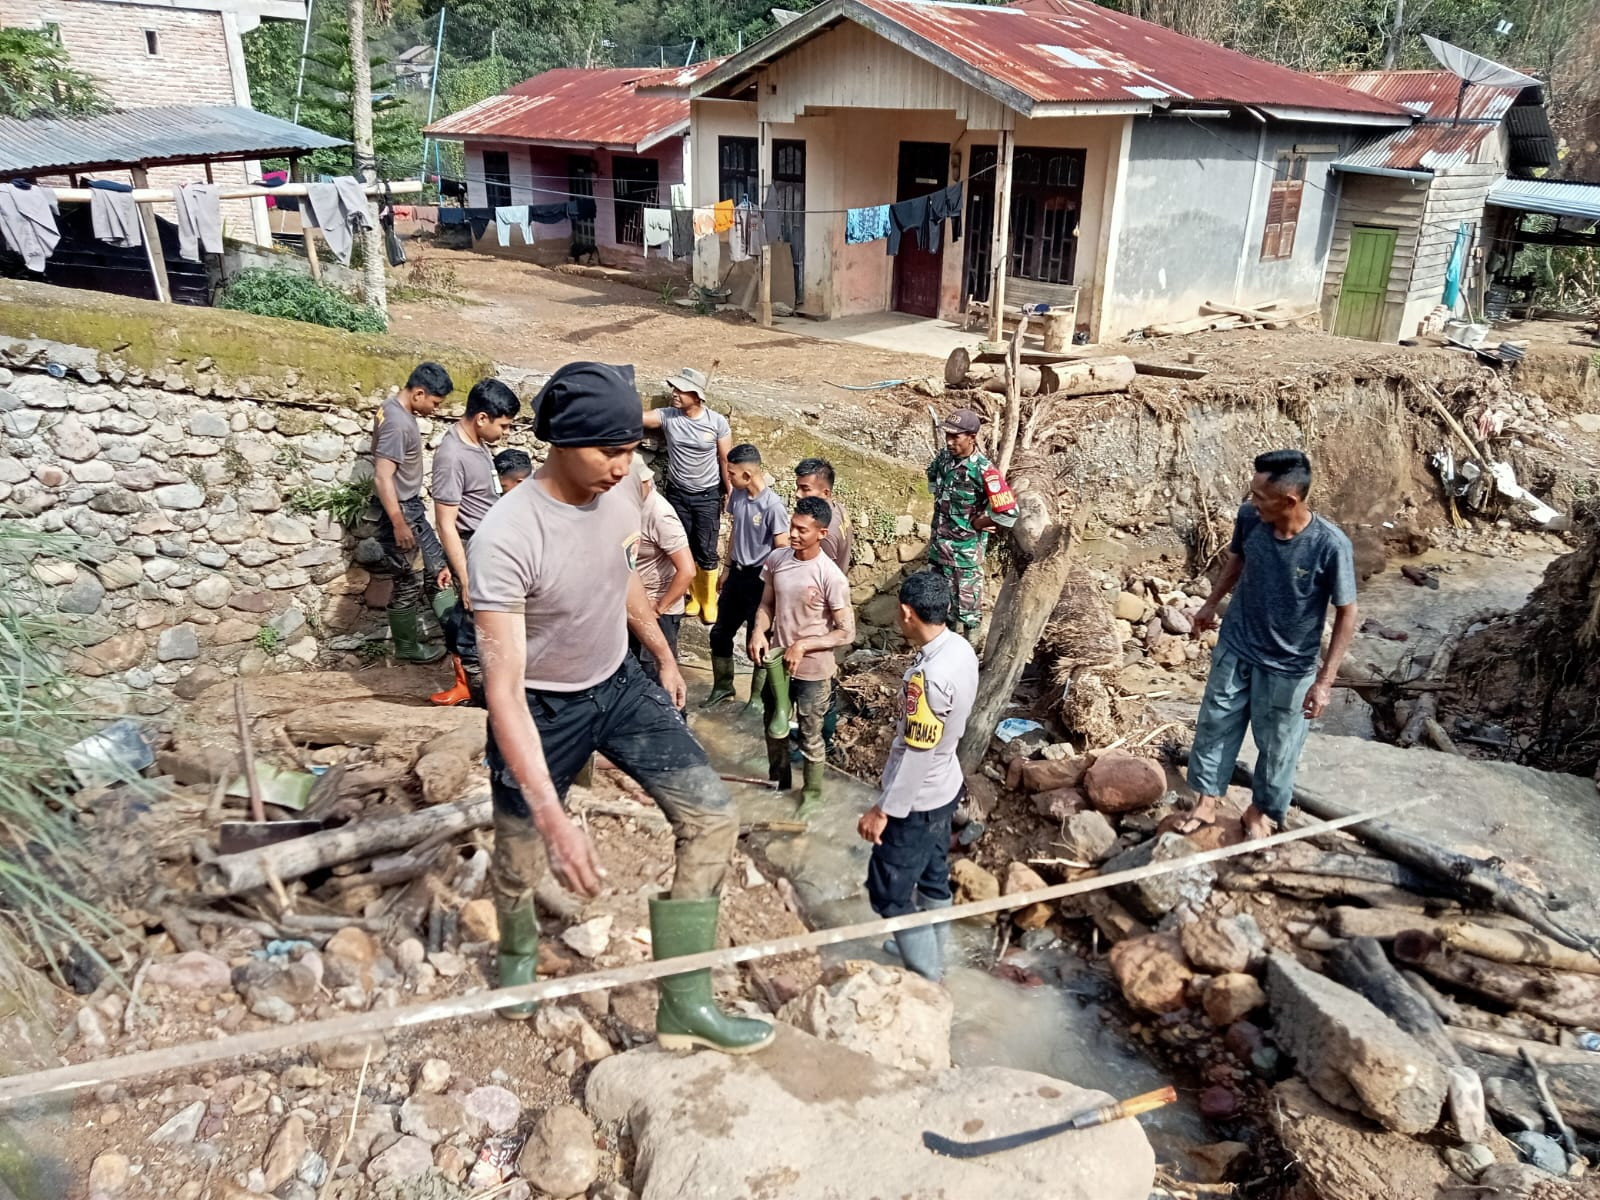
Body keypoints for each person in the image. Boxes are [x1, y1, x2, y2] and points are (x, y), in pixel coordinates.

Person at [468, 360, 773, 1053]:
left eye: (631, 448)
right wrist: (555, 817)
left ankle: (685, 1003)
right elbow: (503, 691)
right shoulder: (506, 539)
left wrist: (662, 655)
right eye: (607, 451)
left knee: (714, 818)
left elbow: (621, 574)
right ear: (559, 442)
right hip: (543, 709)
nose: (622, 466)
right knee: (520, 860)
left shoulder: (627, 489)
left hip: (620, 684)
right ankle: (516, 956)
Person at [1184, 450, 1358, 841]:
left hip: (1290, 665)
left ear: (1289, 501)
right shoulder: (1251, 519)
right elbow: (1237, 560)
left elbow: (1347, 612)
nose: (1251, 503)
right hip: (1238, 643)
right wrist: (1211, 604)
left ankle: (1260, 811)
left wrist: (1324, 682)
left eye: (1260, 497)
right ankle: (1206, 802)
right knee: (1214, 724)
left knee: (1279, 745)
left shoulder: (1330, 546)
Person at [857, 571, 978, 982]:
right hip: (947, 786)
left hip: (919, 798)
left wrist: (884, 810)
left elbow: (917, 752)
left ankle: (927, 974)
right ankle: (928, 944)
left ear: (907, 613)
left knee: (888, 892)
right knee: (932, 872)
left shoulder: (925, 679)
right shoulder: (960, 649)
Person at [748, 496, 855, 818]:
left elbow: (846, 632)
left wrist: (804, 645)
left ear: (821, 533)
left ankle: (811, 794)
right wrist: (757, 632)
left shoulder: (830, 576)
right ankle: (778, 783)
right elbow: (767, 606)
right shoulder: (777, 559)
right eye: (792, 527)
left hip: (814, 672)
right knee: (773, 726)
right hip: (778, 665)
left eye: (802, 530)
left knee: (810, 736)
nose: (793, 534)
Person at [429, 378, 521, 707]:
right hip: (472, 549)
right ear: (482, 418)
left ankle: (483, 689)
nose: (506, 433)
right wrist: (465, 577)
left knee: (482, 619)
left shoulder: (477, 444)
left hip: (488, 547)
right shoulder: (452, 455)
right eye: (505, 426)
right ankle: (478, 695)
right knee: (473, 625)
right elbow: (446, 522)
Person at [372, 362, 454, 662]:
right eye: (434, 402)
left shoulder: (392, 409)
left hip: (411, 510)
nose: (435, 410)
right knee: (409, 580)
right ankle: (406, 648)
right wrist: (398, 523)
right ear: (419, 393)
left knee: (438, 570)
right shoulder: (398, 423)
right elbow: (382, 476)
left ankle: (459, 635)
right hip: (401, 511)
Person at [642, 367, 731, 625]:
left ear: (697, 396)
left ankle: (708, 598)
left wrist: (730, 492)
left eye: (681, 390)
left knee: (707, 547)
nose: (675, 394)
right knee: (685, 546)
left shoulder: (716, 422)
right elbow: (639, 418)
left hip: (707, 494)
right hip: (678, 494)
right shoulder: (669, 416)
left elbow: (725, 459)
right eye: (674, 388)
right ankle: (693, 597)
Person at [703, 443, 788, 708]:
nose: (728, 478)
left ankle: (756, 701)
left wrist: (772, 591)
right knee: (719, 633)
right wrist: (727, 569)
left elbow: (782, 550)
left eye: (731, 474)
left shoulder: (773, 507)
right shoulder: (738, 495)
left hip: (760, 582)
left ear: (748, 475)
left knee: (758, 642)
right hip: (737, 576)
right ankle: (723, 686)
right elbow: (735, 535)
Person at [926, 408, 1016, 648]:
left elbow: (1008, 513)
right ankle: (945, 652)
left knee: (968, 613)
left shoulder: (984, 471)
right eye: (948, 435)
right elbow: (932, 476)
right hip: (938, 551)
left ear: (972, 437)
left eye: (956, 437)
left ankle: (971, 656)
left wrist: (981, 522)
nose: (949, 441)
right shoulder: (945, 459)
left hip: (965, 556)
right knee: (940, 607)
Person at [630, 455, 694, 692]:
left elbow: (687, 571)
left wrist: (659, 607)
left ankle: (676, 724)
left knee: (658, 679)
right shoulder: (629, 507)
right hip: (635, 605)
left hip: (659, 610)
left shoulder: (659, 514)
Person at [795, 457, 851, 571]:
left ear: (825, 493)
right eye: (797, 487)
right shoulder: (839, 508)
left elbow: (821, 575)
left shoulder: (823, 531)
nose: (798, 494)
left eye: (805, 489)